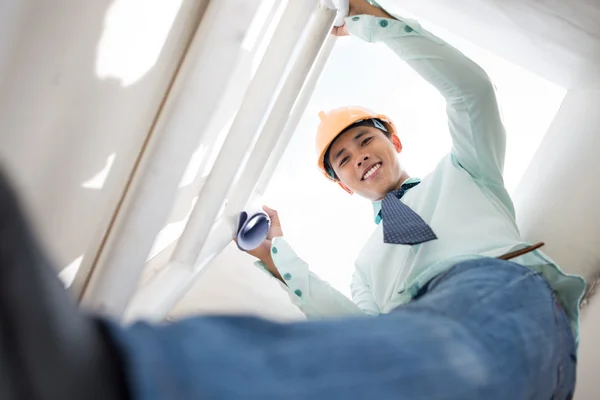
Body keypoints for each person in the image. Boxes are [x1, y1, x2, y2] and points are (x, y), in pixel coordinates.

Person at [0, 1, 586, 399]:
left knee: (445, 349)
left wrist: (374, 23)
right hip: (483, 360)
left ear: (393, 141)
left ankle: (113, 379)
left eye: (366, 139)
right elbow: (348, 319)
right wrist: (279, 257)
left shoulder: (468, 172)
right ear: (343, 184)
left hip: (504, 296)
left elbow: (472, 93)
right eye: (343, 160)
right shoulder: (367, 266)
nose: (358, 156)